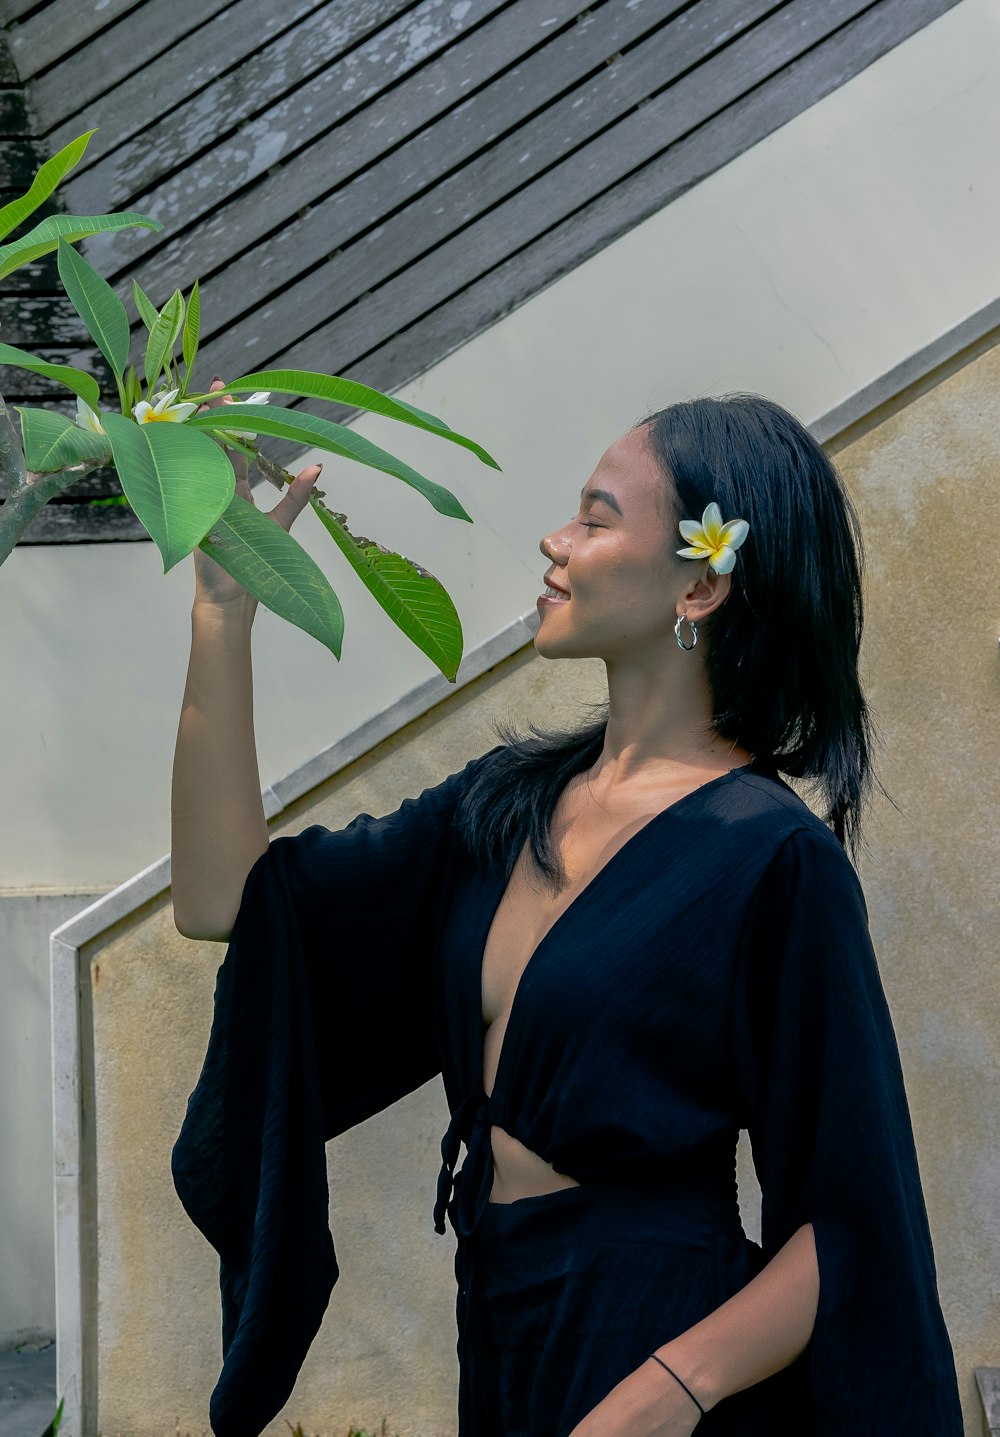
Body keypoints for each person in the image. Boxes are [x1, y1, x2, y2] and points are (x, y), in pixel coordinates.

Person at [170, 385, 963, 1437]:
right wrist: (225, 611)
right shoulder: (501, 811)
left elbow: (852, 1219)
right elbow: (226, 902)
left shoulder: (771, 860)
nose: (556, 539)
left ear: (698, 584)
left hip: (658, 1346)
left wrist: (668, 1393)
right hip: (500, 1322)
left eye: (594, 518)